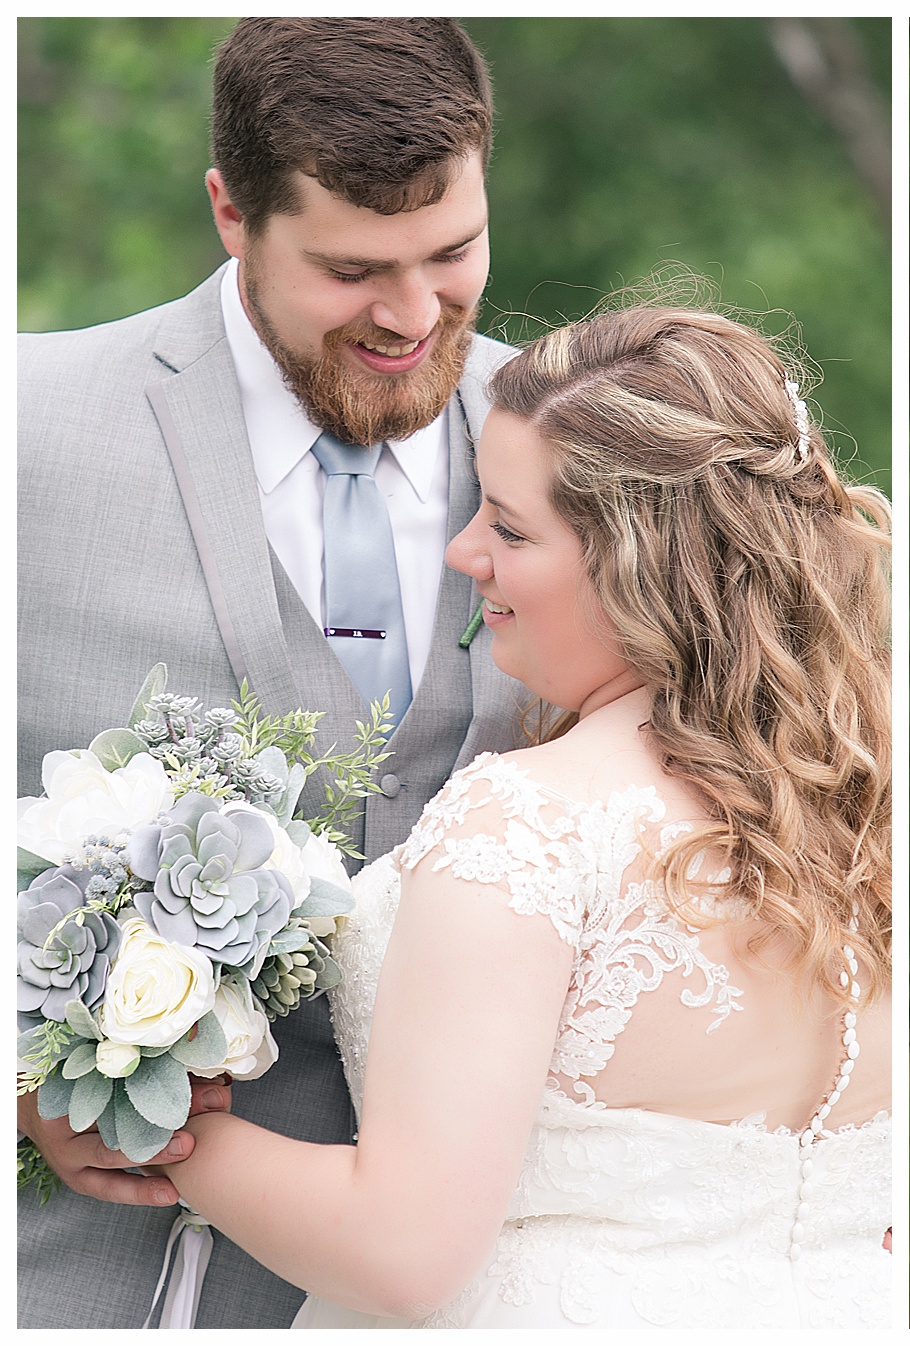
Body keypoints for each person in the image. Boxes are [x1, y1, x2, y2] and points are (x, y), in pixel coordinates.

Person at [147, 293, 896, 1328]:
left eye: (508, 525)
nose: (464, 553)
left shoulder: (527, 824)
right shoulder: (865, 797)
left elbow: (404, 1251)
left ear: (643, 563)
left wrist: (155, 1124)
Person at [17, 20, 524, 1328]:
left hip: (500, 1273)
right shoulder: (29, 429)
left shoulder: (587, 454)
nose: (415, 317)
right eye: (355, 269)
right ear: (231, 212)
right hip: (87, 1273)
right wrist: (23, 1077)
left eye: (452, 253)